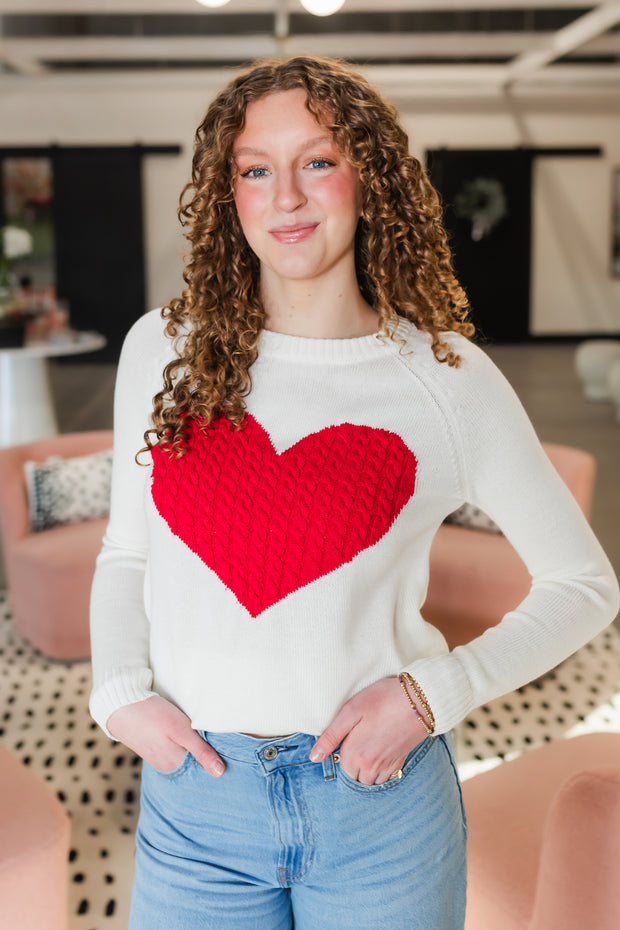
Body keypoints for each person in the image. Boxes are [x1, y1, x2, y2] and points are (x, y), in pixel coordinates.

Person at [89, 56, 619, 930]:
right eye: (256, 170)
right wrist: (119, 696)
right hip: (196, 800)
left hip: (378, 796)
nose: (286, 197)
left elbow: (584, 586)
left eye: (319, 162)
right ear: (231, 197)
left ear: (370, 181)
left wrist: (432, 694)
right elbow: (128, 550)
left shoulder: (448, 382)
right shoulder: (163, 348)